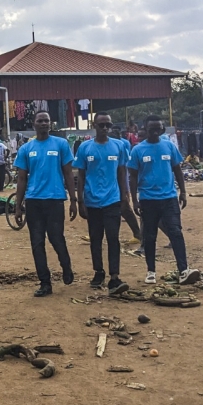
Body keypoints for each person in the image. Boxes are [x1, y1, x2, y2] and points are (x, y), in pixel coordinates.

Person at [128, 115, 200, 286]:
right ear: (145, 128)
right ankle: (151, 271)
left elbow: (177, 170)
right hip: (148, 200)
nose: (155, 131)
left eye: (158, 128)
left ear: (162, 129)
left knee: (175, 232)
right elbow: (132, 177)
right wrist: (134, 200)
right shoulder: (137, 150)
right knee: (150, 236)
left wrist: (183, 192)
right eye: (151, 128)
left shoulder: (169, 146)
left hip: (169, 198)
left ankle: (183, 270)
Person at [14, 111, 78, 297]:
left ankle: (66, 266)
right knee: (37, 242)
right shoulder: (26, 148)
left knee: (56, 238)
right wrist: (18, 207)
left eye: (46, 121)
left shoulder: (61, 144)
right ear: (34, 124)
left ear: (51, 124)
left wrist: (73, 200)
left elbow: (68, 174)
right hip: (34, 201)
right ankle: (45, 282)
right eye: (40, 121)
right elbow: (21, 179)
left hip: (55, 199)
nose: (43, 124)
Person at [75, 114, 130, 296]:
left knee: (113, 238)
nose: (105, 128)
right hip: (91, 201)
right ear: (94, 125)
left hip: (112, 200)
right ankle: (98, 272)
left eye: (108, 124)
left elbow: (122, 172)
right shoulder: (85, 148)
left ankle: (114, 276)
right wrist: (80, 200)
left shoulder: (119, 146)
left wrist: (125, 195)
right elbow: (80, 175)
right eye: (101, 125)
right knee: (95, 238)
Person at [108, 127, 142, 244]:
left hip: (118, 186)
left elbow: (124, 172)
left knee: (125, 209)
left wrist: (126, 190)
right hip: (106, 187)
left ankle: (138, 234)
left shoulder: (121, 148)